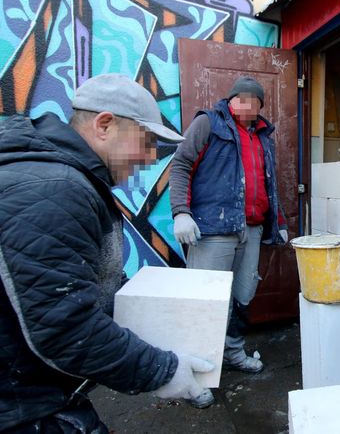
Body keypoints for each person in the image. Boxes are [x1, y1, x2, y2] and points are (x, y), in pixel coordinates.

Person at [0, 74, 216, 433]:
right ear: (104, 125)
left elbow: (83, 282)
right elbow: (65, 329)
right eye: (146, 142)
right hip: (23, 406)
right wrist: (159, 370)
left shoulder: (59, 176)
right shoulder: (55, 189)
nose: (150, 158)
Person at [169, 76, 288, 385]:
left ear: (260, 105)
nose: (248, 105)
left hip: (252, 230)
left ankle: (233, 353)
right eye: (242, 98)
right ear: (231, 100)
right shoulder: (208, 123)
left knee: (243, 295)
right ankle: (194, 374)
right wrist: (181, 213)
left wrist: (280, 223)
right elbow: (180, 165)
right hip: (213, 230)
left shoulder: (263, 136)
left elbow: (269, 184)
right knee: (205, 300)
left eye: (255, 100)